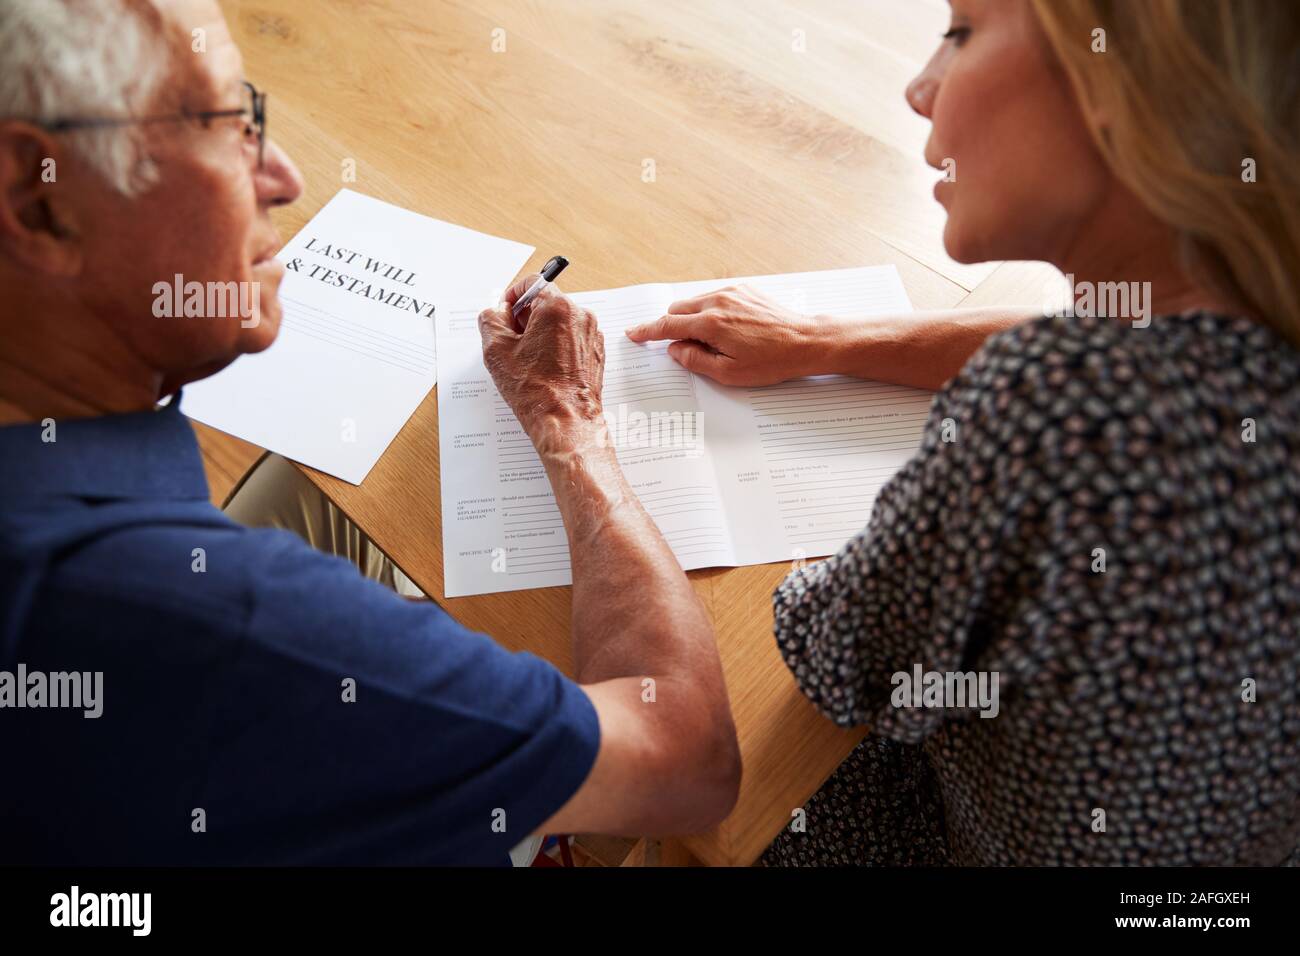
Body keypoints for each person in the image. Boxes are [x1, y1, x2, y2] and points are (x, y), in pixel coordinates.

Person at [0, 0, 739, 866]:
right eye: (227, 125)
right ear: (39, 203)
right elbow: (688, 759)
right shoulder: (229, 627)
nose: (283, 174)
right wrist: (567, 422)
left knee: (296, 498)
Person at [627, 0, 1300, 865]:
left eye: (964, 31)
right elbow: (1126, 331)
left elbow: (837, 657)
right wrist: (827, 342)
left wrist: (572, 437)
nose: (917, 89)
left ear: (1121, 77)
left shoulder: (1063, 411)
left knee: (694, 802)